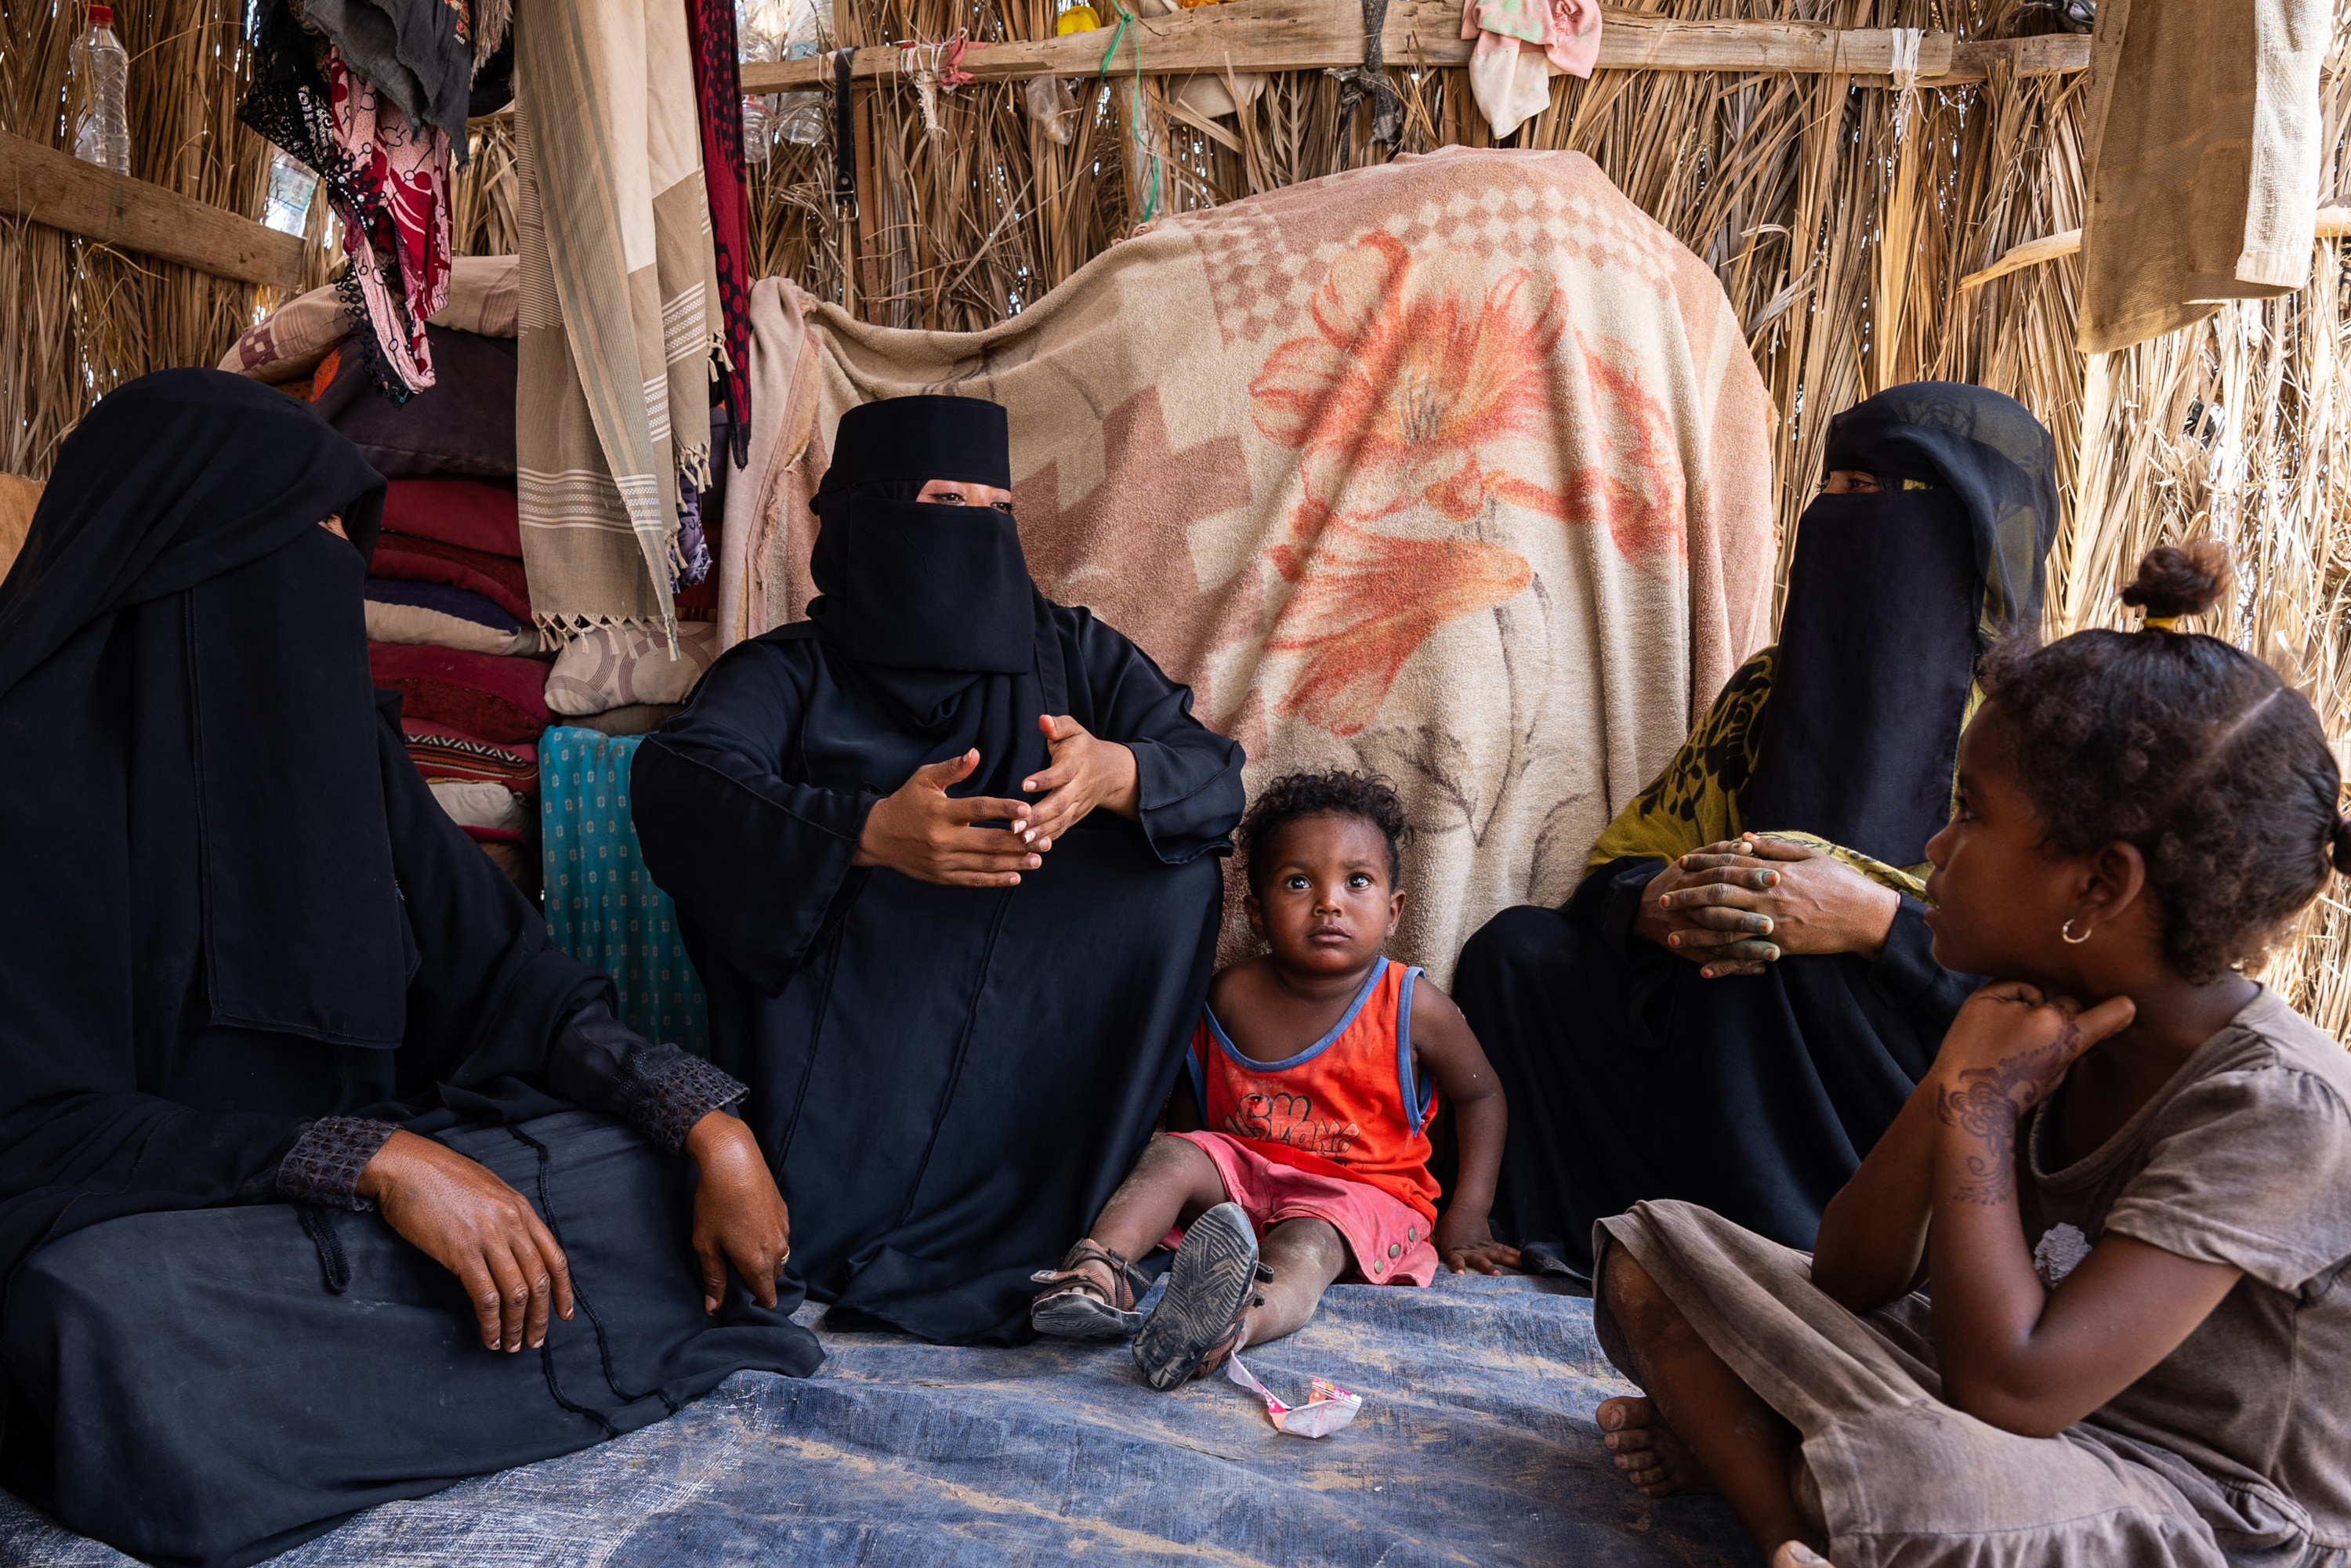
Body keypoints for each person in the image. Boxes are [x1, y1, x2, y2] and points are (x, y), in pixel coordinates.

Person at [0, 371, 820, 1568]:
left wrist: (696, 1117)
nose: (340, 581)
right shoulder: (26, 786)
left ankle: (331, 1389)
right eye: (310, 539)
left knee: (642, 1173)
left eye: (351, 540)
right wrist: (363, 1160)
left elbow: (513, 986)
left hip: (354, 1230)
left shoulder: (345, 754)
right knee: (98, 1316)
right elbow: (31, 1135)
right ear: (182, 552)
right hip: (165, 1233)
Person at [1590, 542, 2351, 1568]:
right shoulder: (2038, 1016)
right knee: (1658, 1253)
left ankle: (1790, 1476)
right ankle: (1792, 1527)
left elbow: (2017, 1390)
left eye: (1971, 815)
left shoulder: (2279, 1109)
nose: (1936, 850)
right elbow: (1852, 1279)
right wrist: (1956, 1080)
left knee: (1920, 1481)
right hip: (2000, 1425)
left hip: (2200, 1508)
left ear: (2100, 885)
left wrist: (1984, 1110)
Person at [631, 394, 1245, 1346]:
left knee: (1176, 870)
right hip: (857, 1052)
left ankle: (1062, 1236)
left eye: (1000, 512)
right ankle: (832, 1221)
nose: (981, 534)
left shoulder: (1070, 653)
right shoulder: (790, 673)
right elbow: (680, 780)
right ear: (872, 517)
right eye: (950, 502)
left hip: (1027, 1039)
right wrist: (867, 834)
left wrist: (1117, 772)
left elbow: (1212, 774)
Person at [1453, 382, 2060, 1277]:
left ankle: (1774, 1267)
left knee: (1769, 964)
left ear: (1966, 523)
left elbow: (2056, 984)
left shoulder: (2032, 732)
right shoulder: (1767, 693)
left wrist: (1869, 925)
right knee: (1521, 954)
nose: (1838, 517)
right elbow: (1626, 857)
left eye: (1873, 496)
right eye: (1835, 490)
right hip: (1706, 1027)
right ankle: (1600, 1235)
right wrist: (1652, 904)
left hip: (1904, 1075)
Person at [1029, 771, 1519, 1389]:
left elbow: (1481, 1093)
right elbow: (1193, 1101)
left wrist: (1469, 1212)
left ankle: (1222, 1327)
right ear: (1257, 913)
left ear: (1394, 910)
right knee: (1173, 1154)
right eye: (1298, 882)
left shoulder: (1410, 1004)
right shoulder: (1228, 995)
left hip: (1354, 1196)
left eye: (1356, 881)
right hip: (1244, 1180)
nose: (1329, 902)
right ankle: (1099, 1275)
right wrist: (1185, 1180)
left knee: (1306, 1248)